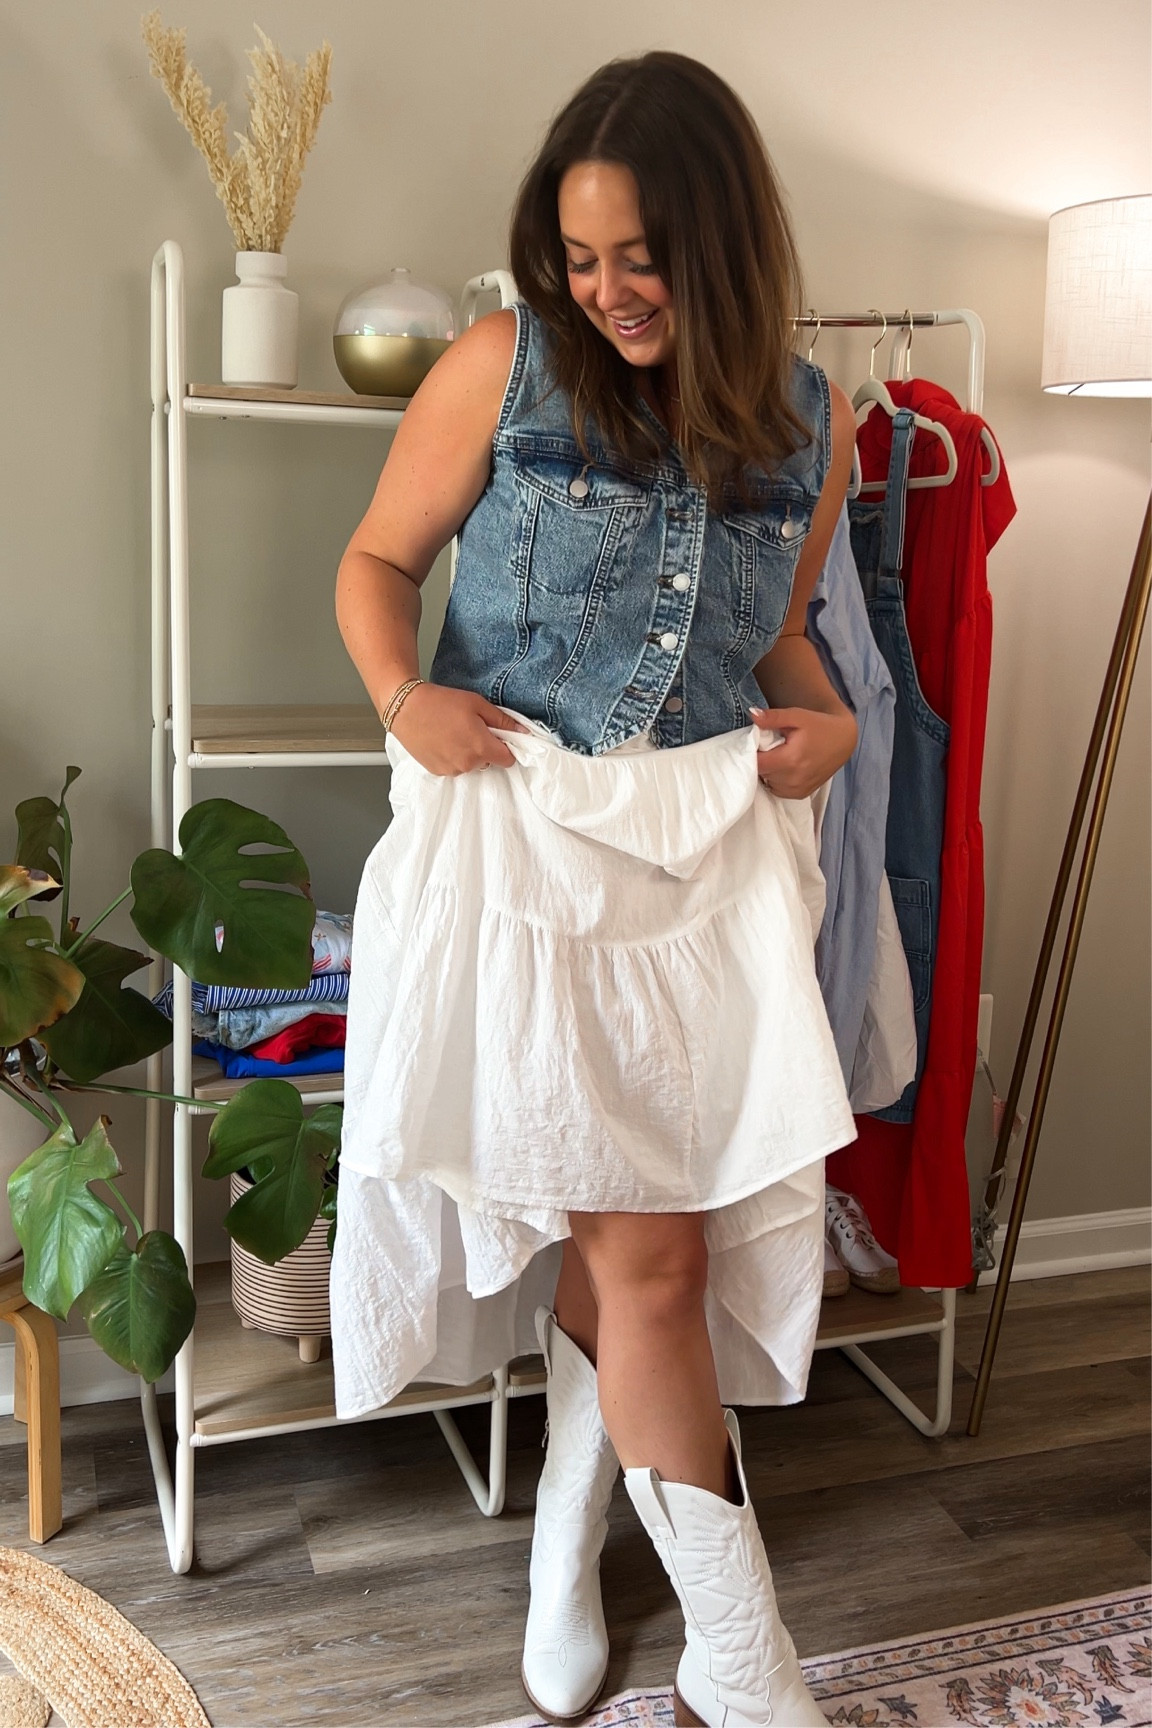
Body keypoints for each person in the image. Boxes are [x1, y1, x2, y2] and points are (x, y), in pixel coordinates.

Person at [334, 50, 859, 1728]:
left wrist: (832, 716)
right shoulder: (502, 368)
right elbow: (376, 563)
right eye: (581, 253)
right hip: (532, 852)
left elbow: (770, 631)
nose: (609, 288)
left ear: (726, 243)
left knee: (642, 1244)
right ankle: (741, 1659)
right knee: (646, 1258)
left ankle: (570, 1526)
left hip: (702, 868)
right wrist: (401, 696)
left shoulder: (811, 418)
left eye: (644, 253)